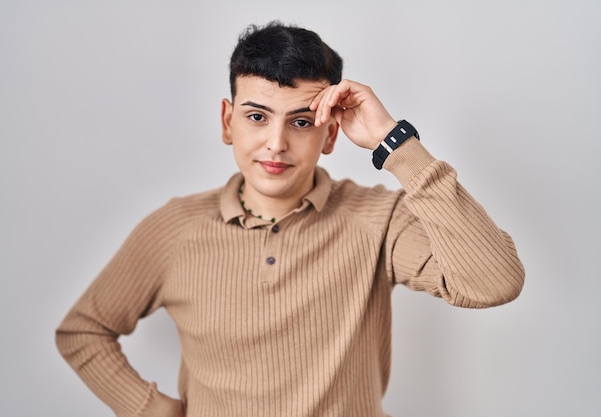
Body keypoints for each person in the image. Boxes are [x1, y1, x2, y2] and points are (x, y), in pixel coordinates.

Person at [55, 20, 525, 417]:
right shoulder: (175, 228)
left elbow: (495, 284)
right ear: (227, 121)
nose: (276, 143)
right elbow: (84, 331)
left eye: (301, 121)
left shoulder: (379, 219)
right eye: (257, 117)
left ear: (330, 134)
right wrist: (155, 411)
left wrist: (393, 142)